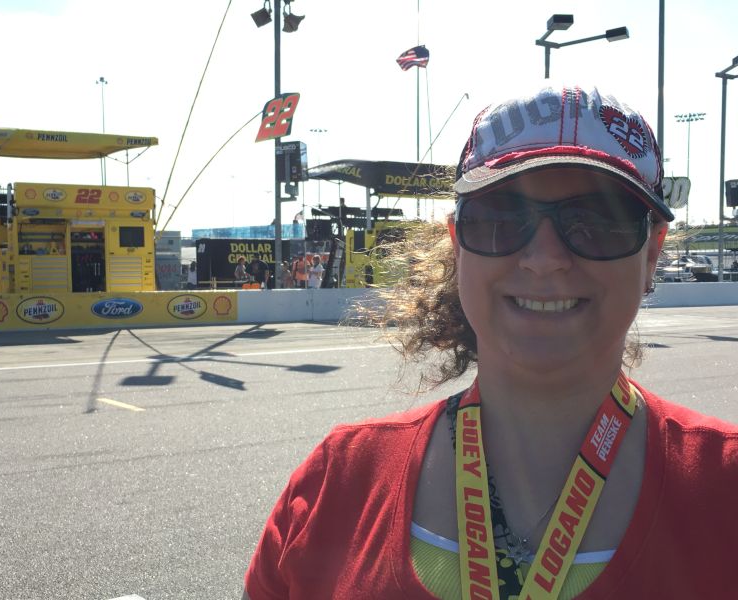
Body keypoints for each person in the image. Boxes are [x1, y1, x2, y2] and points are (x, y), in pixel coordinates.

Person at [242, 83, 738, 599]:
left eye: (597, 222)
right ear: (459, 245)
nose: (543, 259)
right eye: (502, 218)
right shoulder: (336, 482)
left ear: (652, 252)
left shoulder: (728, 489)